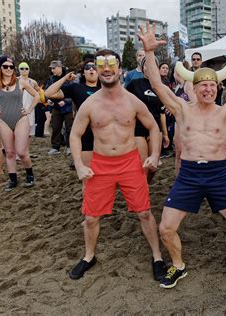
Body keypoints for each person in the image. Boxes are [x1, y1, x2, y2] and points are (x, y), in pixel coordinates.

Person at [139, 23, 226, 292]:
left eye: (212, 86)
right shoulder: (182, 110)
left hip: (217, 174)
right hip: (189, 175)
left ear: (217, 88)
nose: (207, 90)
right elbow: (157, 85)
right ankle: (178, 265)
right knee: (166, 228)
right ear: (194, 88)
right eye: (203, 85)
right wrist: (148, 52)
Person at [68, 49, 166, 281]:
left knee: (144, 212)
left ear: (119, 68)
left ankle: (157, 256)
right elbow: (74, 135)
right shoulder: (90, 104)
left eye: (111, 64)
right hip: (100, 166)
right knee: (91, 217)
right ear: (97, 70)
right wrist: (80, 165)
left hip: (130, 162)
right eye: (101, 65)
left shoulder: (133, 101)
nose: (106, 69)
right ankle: (89, 256)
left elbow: (154, 127)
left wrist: (154, 155)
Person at [0, 56, 39, 191]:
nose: (9, 69)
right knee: (9, 152)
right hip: (3, 120)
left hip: (20, 119)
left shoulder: (21, 82)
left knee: (21, 152)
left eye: (11, 66)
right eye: (5, 66)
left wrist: (29, 109)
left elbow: (37, 95)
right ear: (0, 68)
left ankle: (30, 174)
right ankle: (12, 179)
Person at [45, 58, 100, 166]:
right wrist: (65, 78)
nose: (91, 69)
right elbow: (48, 93)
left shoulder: (105, 89)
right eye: (87, 68)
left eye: (94, 67)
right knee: (89, 170)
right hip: (85, 133)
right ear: (83, 73)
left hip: (103, 133)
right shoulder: (76, 88)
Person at [125, 56, 170, 183]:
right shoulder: (135, 84)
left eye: (152, 65)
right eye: (146, 65)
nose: (149, 68)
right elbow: (122, 100)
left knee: (153, 168)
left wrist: (165, 135)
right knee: (143, 165)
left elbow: (162, 113)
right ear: (142, 67)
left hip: (156, 129)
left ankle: (145, 184)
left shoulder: (161, 87)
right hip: (138, 129)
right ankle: (142, 189)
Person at [45, 60, 74, 156]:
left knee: (69, 128)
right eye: (51, 68)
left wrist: (65, 101)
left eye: (54, 68)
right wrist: (47, 99)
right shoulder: (51, 79)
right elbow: (46, 90)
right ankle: (55, 147)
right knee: (55, 127)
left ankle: (70, 147)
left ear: (60, 67)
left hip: (68, 108)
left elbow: (74, 92)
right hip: (55, 107)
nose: (52, 70)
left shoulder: (69, 78)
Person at [18, 62, 38, 136]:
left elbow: (39, 93)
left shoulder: (33, 82)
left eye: (26, 68)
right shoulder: (15, 80)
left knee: (29, 132)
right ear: (19, 70)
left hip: (30, 108)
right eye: (22, 68)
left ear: (29, 70)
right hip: (18, 108)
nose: (24, 70)